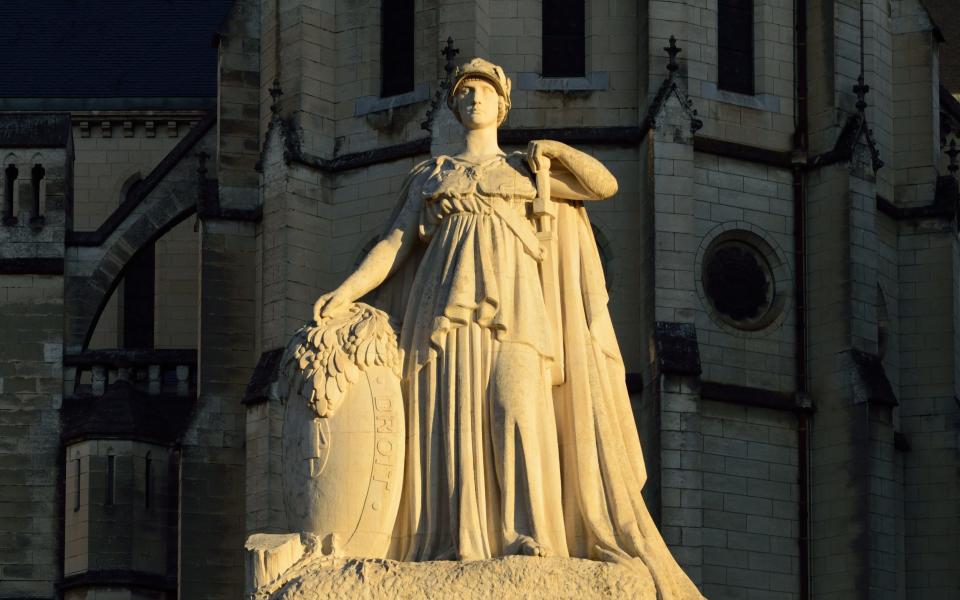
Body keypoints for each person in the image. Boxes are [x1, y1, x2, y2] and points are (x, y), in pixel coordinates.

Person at [314, 58, 704, 599]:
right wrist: (346, 291)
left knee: (516, 405)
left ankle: (529, 534)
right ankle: (452, 539)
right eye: (465, 92)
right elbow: (394, 244)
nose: (474, 99)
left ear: (503, 105)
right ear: (454, 107)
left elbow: (604, 185)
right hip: (442, 312)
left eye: (485, 92)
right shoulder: (431, 176)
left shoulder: (528, 169)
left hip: (518, 309)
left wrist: (557, 151)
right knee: (449, 419)